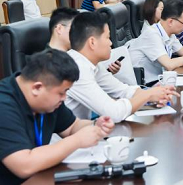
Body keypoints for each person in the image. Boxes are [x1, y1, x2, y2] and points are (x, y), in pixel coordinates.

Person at [0, 50, 114, 184]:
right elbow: (24, 166)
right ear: (37, 88)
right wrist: (77, 140)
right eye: (61, 93)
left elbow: (72, 127)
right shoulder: (4, 106)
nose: (64, 98)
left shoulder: (47, 101)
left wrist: (96, 126)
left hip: (40, 178)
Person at [65, 12, 178, 123]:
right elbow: (114, 113)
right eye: (107, 37)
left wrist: (154, 92)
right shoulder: (77, 69)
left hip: (89, 128)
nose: (111, 43)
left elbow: (123, 90)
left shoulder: (93, 65)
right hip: (73, 134)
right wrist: (148, 95)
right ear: (92, 42)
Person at [129, 1, 183, 83]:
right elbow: (169, 65)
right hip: (144, 84)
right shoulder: (152, 34)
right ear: (170, 22)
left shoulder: (170, 33)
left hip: (159, 78)